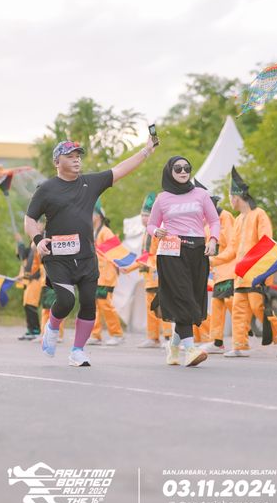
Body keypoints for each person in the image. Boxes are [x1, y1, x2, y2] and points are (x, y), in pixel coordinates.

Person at [24, 137, 158, 367]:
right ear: (57, 162)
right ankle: (52, 327)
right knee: (66, 300)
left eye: (78, 156)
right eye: (70, 157)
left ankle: (78, 351)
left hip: (86, 256)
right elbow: (29, 219)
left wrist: (146, 151)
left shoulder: (90, 183)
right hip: (58, 257)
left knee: (88, 303)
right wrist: (38, 239)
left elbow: (120, 169)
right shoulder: (46, 189)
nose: (76, 160)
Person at [212, 167, 277, 358]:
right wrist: (212, 260)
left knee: (258, 307)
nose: (230, 201)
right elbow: (232, 250)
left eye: (230, 197)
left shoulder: (259, 214)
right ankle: (240, 346)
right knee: (239, 310)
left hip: (256, 272)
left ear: (236, 197)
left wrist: (257, 270)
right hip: (240, 274)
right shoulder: (239, 219)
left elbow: (266, 243)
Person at [147, 156, 220, 367]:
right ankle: (190, 350)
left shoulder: (201, 194)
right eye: (177, 168)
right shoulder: (162, 198)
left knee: (193, 299)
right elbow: (151, 225)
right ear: (169, 172)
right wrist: (156, 231)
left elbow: (214, 220)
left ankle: (173, 345)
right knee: (182, 297)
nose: (183, 171)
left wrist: (213, 240)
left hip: (197, 250)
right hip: (171, 252)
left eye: (186, 168)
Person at [122, 192, 173, 348]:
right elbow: (145, 256)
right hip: (149, 276)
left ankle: (168, 337)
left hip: (158, 273)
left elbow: (159, 254)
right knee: (151, 308)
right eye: (142, 215)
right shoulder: (146, 232)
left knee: (162, 306)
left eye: (147, 215)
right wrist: (129, 268)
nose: (144, 218)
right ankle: (153, 337)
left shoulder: (159, 231)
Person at [199, 194, 235, 354]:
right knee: (217, 305)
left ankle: (242, 339)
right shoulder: (207, 225)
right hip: (218, 272)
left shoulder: (225, 217)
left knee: (232, 304)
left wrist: (215, 260)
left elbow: (232, 245)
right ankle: (217, 342)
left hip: (229, 269)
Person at [87, 199, 124, 346]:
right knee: (94, 305)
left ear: (98, 216)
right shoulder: (94, 232)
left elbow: (116, 252)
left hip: (106, 275)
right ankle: (95, 335)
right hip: (96, 275)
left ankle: (117, 334)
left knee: (105, 305)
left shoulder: (105, 232)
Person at [15, 228, 44, 340]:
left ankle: (35, 330)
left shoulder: (40, 243)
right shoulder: (32, 244)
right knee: (27, 304)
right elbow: (23, 256)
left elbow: (41, 265)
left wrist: (32, 276)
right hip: (28, 279)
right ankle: (30, 329)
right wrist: (19, 242)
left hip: (36, 279)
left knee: (31, 305)